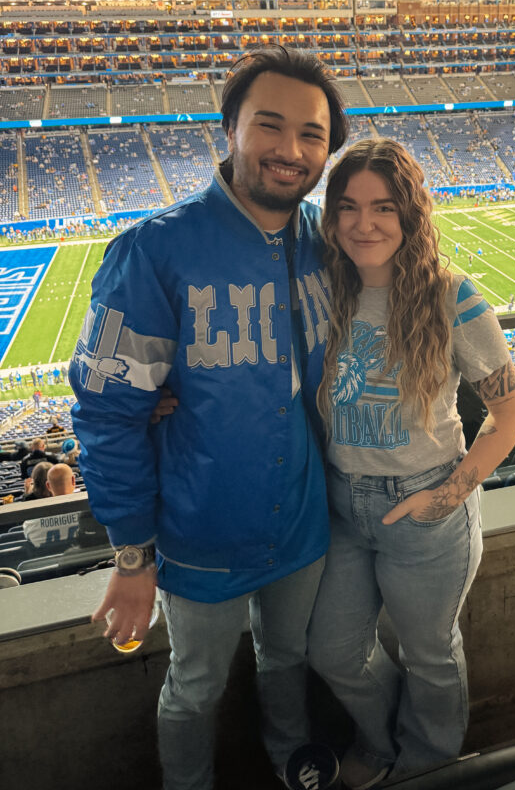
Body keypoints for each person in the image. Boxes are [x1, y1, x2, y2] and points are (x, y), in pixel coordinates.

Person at [69, 47, 348, 790]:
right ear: (229, 129)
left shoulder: (327, 240)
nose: (291, 150)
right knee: (194, 687)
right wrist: (132, 556)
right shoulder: (154, 251)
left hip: (304, 523)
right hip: (201, 537)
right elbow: (106, 414)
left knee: (288, 659)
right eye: (270, 125)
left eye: (312, 135)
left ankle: (291, 765)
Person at [307, 139, 515, 787]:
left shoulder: (451, 296)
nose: (364, 223)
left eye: (383, 206)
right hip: (340, 505)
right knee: (334, 651)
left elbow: (510, 413)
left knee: (430, 654)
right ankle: (381, 742)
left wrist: (445, 497)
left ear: (409, 213)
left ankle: (428, 763)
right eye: (348, 207)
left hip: (426, 502)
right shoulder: (322, 291)